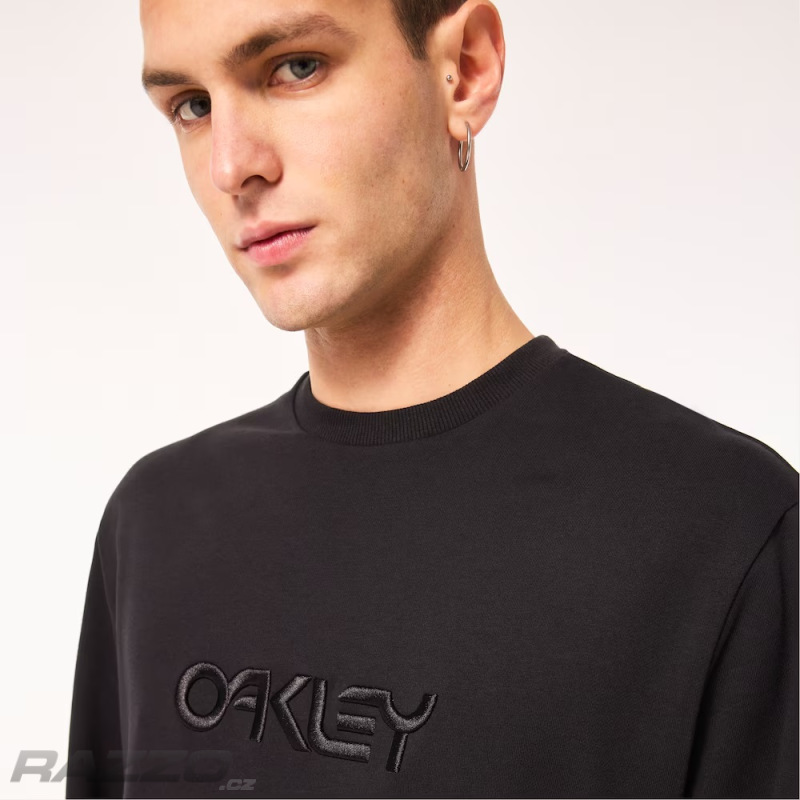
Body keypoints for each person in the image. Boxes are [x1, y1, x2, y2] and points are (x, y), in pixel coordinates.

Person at [66, 0, 798, 797]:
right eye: (191, 106)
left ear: (465, 71)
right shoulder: (154, 519)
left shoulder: (724, 532)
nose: (232, 166)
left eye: (296, 68)